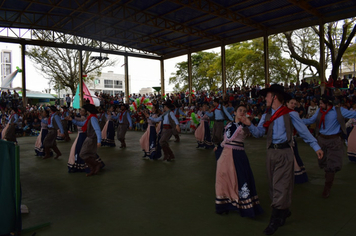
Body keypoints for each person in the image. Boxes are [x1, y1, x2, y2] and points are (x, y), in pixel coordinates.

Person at [241, 84, 323, 235]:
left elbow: (304, 132)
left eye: (267, 95)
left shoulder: (291, 114)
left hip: (285, 152)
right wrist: (249, 125)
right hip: (271, 153)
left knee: (280, 184)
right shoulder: (266, 116)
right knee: (274, 185)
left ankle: (275, 219)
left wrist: (316, 146)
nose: (264, 98)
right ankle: (283, 211)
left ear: (274, 97)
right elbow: (259, 133)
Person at [214, 105, 263, 217]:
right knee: (223, 179)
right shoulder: (229, 125)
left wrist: (249, 124)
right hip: (225, 154)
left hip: (238, 155)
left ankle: (243, 206)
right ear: (234, 112)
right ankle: (224, 204)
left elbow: (256, 134)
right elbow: (225, 140)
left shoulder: (245, 125)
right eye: (240, 110)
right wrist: (219, 146)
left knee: (240, 178)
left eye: (244, 111)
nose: (242, 112)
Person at [303, 95, 356, 198]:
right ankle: (329, 175)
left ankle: (327, 188)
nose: (320, 105)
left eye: (322, 103)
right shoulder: (320, 111)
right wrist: (297, 120)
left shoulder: (338, 110)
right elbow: (310, 121)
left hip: (334, 141)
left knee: (331, 166)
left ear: (328, 103)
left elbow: (353, 114)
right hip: (321, 140)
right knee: (324, 163)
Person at [66, 104, 103, 176]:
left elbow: (97, 129)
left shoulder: (92, 118)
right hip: (90, 138)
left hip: (91, 138)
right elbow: (82, 123)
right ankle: (93, 169)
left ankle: (96, 165)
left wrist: (99, 141)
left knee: (82, 154)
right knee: (90, 154)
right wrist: (72, 120)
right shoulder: (90, 117)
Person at [286, 98, 308, 184]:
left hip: (290, 138)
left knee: (293, 155)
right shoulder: (285, 113)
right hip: (287, 138)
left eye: (294, 104)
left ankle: (296, 176)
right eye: (291, 103)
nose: (293, 105)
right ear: (287, 103)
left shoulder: (294, 113)